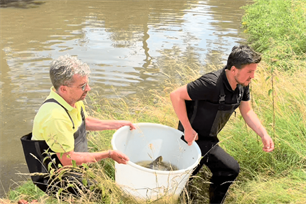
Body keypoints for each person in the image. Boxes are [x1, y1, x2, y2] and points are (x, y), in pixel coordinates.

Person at [170, 45, 274, 204]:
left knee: (229, 170)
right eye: (249, 72)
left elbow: (247, 111)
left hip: (209, 141)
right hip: (190, 140)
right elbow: (176, 95)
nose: (252, 76)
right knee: (180, 181)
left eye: (254, 71)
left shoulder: (242, 85)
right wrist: (188, 129)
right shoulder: (211, 83)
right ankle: (182, 197)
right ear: (234, 70)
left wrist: (264, 134)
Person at [21, 55, 135, 198]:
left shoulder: (72, 98)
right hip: (56, 175)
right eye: (82, 86)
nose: (88, 88)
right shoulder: (55, 116)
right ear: (63, 89)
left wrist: (118, 124)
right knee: (103, 196)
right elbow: (68, 159)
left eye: (87, 83)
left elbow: (84, 121)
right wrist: (109, 154)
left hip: (73, 164)